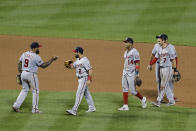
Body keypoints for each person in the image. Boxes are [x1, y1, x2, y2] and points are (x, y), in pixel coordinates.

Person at [13, 42, 58, 113]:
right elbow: (43, 66)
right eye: (37, 47)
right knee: (36, 91)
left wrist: (20, 73)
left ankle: (16, 106)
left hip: (23, 73)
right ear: (34, 48)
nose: (38, 49)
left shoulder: (24, 54)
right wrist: (52, 59)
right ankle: (35, 109)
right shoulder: (36, 56)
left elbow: (19, 63)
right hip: (31, 75)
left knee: (25, 90)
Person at [147, 34, 177, 107]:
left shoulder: (170, 48)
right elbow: (156, 58)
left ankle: (158, 101)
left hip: (168, 69)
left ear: (164, 40)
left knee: (163, 85)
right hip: (161, 68)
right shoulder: (159, 48)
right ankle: (172, 101)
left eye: (159, 40)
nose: (158, 42)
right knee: (165, 86)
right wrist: (150, 64)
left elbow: (174, 60)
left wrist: (175, 70)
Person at [118, 37, 147, 111]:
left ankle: (143, 99)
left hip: (132, 73)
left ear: (130, 43)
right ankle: (125, 106)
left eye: (126, 42)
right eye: (124, 42)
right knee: (124, 88)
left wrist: (137, 75)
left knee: (133, 91)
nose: (125, 43)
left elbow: (137, 63)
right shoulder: (126, 52)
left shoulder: (135, 52)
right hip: (125, 72)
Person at [66, 47, 96, 116]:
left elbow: (90, 69)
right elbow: (74, 66)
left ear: (78, 52)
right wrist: (69, 66)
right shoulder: (77, 60)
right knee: (86, 93)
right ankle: (92, 107)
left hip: (84, 79)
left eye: (75, 52)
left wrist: (89, 79)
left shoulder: (85, 60)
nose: (74, 53)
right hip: (79, 79)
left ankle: (74, 110)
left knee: (79, 93)